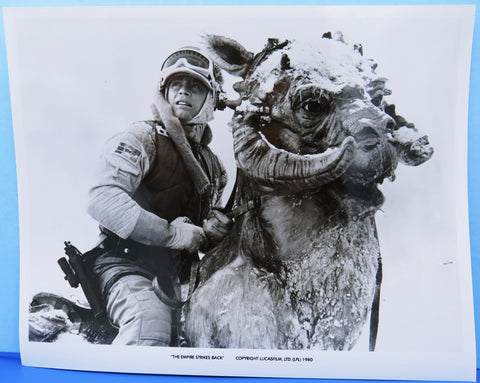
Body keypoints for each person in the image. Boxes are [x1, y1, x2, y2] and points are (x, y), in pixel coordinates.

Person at [87, 47, 232, 347]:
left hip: (182, 277)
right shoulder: (143, 138)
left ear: (211, 100)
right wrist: (170, 234)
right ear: (164, 91)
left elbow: (202, 234)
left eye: (195, 87)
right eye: (176, 85)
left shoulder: (215, 168)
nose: (183, 92)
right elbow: (102, 199)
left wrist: (215, 233)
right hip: (125, 265)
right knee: (148, 322)